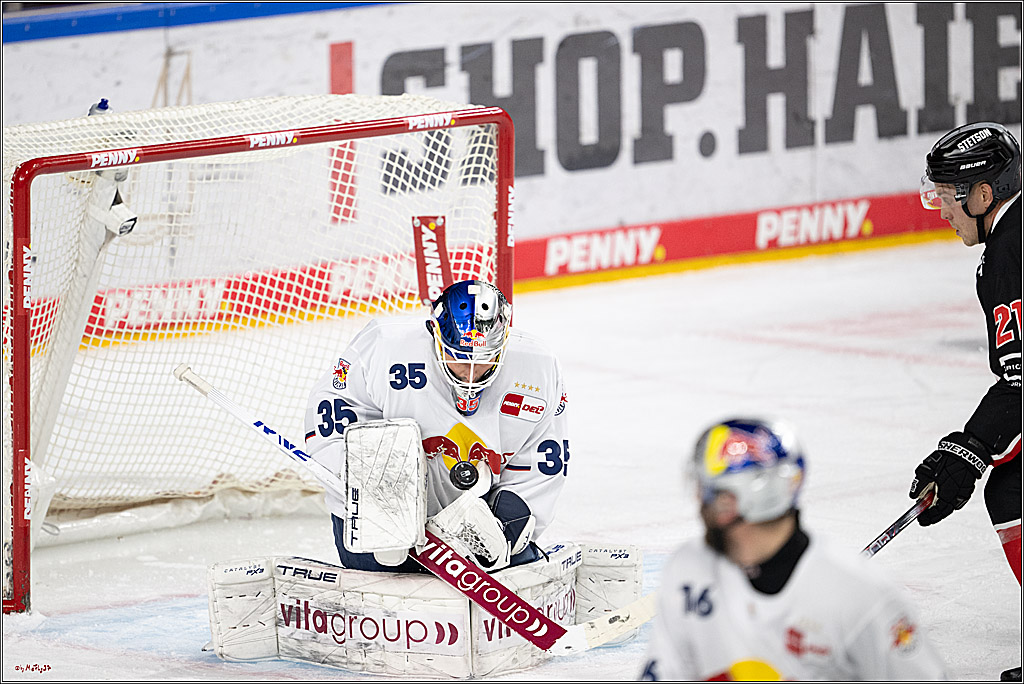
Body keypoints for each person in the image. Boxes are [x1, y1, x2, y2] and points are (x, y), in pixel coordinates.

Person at [639, 418, 948, 681]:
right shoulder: (688, 569)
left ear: (734, 501)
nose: (699, 503)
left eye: (708, 493)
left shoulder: (862, 596)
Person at [303, 279, 570, 573]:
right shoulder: (385, 346)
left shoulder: (538, 368)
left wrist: (506, 525)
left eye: (485, 358)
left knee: (507, 552)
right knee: (383, 557)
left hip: (476, 523)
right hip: (380, 524)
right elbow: (330, 414)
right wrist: (372, 494)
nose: (470, 373)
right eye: (458, 357)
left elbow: (543, 463)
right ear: (434, 333)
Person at [915, 122, 1022, 682]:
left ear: (983, 194)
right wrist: (973, 447)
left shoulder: (1010, 253)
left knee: (1013, 490)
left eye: (946, 197)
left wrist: (971, 449)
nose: (941, 211)